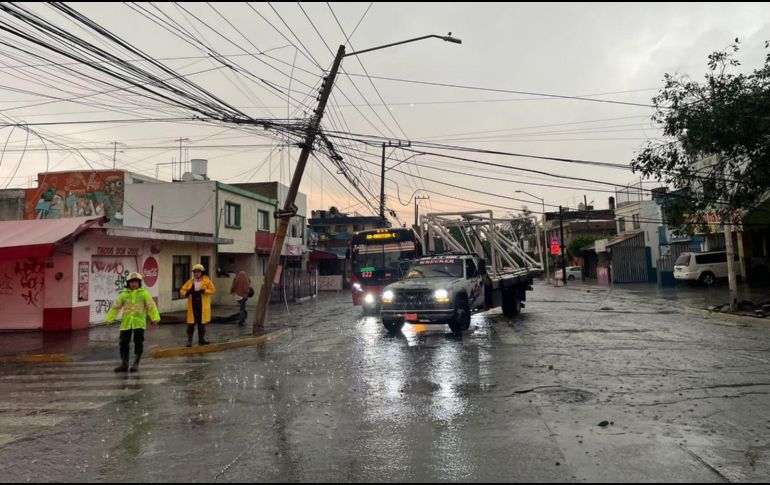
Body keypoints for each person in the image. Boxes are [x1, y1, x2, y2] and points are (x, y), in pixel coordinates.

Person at [106, 272, 160, 373]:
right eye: (131, 282)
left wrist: (155, 318)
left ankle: (136, 363)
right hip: (126, 323)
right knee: (123, 343)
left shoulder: (144, 294)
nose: (133, 284)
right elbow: (115, 307)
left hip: (139, 323)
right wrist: (109, 319)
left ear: (139, 283)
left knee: (138, 342)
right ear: (128, 283)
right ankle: (124, 364)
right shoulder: (124, 295)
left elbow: (151, 306)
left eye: (135, 282)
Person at [180, 263, 216, 347]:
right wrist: (186, 293)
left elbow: (213, 289)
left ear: (202, 273)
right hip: (193, 305)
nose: (196, 273)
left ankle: (201, 339)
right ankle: (189, 341)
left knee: (202, 324)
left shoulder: (207, 281)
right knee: (191, 325)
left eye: (198, 272)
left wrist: (205, 291)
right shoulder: (190, 282)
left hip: (202, 306)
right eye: (195, 272)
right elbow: (182, 290)